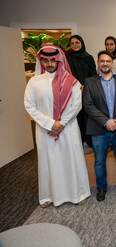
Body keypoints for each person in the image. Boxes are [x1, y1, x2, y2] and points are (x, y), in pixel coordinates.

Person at [24, 44, 90, 207]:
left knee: (71, 160)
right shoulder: (34, 82)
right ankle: (48, 196)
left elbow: (77, 104)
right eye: (46, 60)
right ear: (41, 61)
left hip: (68, 129)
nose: (49, 64)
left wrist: (61, 124)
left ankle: (78, 193)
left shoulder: (72, 81)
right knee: (48, 162)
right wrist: (50, 124)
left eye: (53, 60)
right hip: (45, 130)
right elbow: (29, 105)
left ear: (59, 60)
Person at [82, 50, 116, 202]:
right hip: (98, 129)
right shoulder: (90, 82)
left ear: (112, 63)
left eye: (108, 61)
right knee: (99, 160)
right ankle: (101, 187)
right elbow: (88, 105)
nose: (105, 63)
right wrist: (106, 121)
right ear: (98, 63)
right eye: (102, 61)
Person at [66, 35, 97, 147]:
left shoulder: (88, 57)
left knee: (86, 116)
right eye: (72, 43)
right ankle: (78, 140)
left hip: (86, 91)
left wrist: (86, 85)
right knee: (75, 115)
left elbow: (93, 75)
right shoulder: (67, 57)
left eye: (77, 42)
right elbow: (65, 74)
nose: (75, 45)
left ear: (82, 43)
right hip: (71, 92)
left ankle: (88, 140)